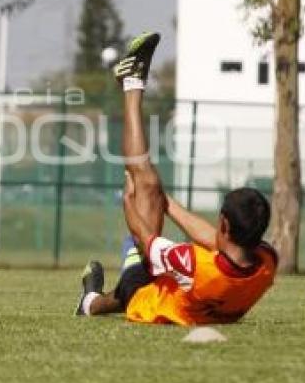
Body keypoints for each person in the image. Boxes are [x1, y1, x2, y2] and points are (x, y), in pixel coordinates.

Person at [75, 32, 276, 325]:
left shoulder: (194, 265)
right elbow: (220, 244)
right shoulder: (267, 263)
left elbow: (147, 241)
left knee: (144, 180)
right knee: (153, 195)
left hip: (146, 296)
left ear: (224, 223)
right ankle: (90, 301)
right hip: (192, 288)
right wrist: (166, 203)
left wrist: (130, 201)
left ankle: (131, 82)